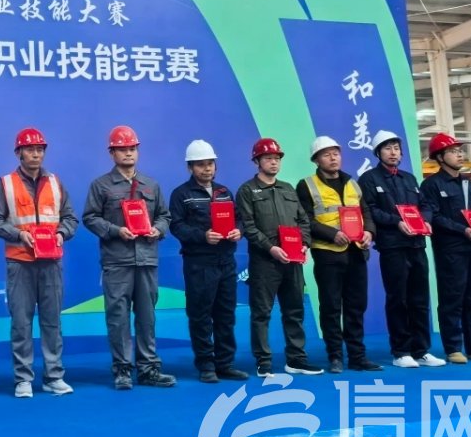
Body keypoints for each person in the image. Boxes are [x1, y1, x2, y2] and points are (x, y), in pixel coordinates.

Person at [82, 125, 175, 389]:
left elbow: (165, 215)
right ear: (112, 153)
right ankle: (122, 369)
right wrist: (115, 230)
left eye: (132, 148)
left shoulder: (151, 185)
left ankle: (148, 369)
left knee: (147, 316)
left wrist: (158, 229)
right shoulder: (101, 185)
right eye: (122, 149)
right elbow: (90, 217)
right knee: (118, 317)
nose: (128, 153)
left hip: (146, 259)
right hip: (117, 261)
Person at [0, 127, 77, 398]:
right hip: (20, 262)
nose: (36, 154)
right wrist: (19, 235)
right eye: (30, 149)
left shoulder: (55, 183)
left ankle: (53, 376)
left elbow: (70, 218)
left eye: (39, 149)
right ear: (19, 153)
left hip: (51, 263)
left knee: (52, 321)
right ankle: (23, 378)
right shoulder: (6, 184)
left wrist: (62, 234)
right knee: (21, 322)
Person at [358, 130, 445, 369]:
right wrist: (396, 222)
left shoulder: (409, 178)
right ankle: (401, 351)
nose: (393, 153)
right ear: (378, 153)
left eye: (396, 148)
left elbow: (425, 205)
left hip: (417, 245)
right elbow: (370, 210)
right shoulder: (369, 179)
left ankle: (421, 350)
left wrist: (426, 220)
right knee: (398, 299)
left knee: (420, 299)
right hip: (393, 246)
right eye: (388, 148)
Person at [237, 137, 322, 377]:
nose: (274, 162)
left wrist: (304, 244)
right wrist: (271, 248)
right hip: (265, 262)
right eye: (268, 158)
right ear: (257, 161)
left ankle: (296, 359)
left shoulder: (288, 188)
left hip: (293, 261)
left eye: (276, 158)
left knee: (294, 310)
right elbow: (248, 226)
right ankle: (263, 361)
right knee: (261, 313)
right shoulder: (247, 190)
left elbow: (303, 220)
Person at [296, 136, 380, 374]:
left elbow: (366, 212)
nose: (333, 158)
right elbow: (305, 219)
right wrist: (332, 234)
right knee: (331, 307)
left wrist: (369, 232)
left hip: (356, 253)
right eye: (326, 154)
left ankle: (357, 356)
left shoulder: (352, 183)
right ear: (316, 160)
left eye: (336, 153)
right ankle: (335, 356)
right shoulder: (307, 185)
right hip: (328, 255)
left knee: (356, 306)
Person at [418, 133, 471, 364]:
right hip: (450, 249)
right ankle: (453, 348)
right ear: (440, 157)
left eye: (460, 151)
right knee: (452, 299)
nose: (459, 155)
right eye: (453, 151)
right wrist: (462, 230)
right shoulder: (432, 185)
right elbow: (434, 217)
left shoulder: (469, 184)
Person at [168, 140, 247, 384]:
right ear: (190, 167)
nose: (207, 169)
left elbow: (239, 219)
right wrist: (202, 236)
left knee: (226, 314)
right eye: (200, 164)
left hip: (226, 261)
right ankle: (206, 365)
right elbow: (176, 226)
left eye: (210, 163)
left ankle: (225, 364)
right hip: (199, 263)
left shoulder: (224, 192)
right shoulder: (181, 194)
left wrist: (239, 231)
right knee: (200, 314)